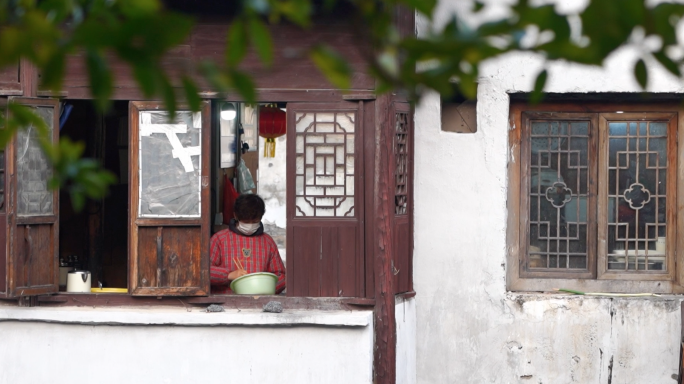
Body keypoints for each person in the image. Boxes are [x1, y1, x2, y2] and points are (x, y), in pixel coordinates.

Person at [210, 194, 286, 294]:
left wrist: (267, 287)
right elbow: (203, 272)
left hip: (259, 303)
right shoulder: (219, 239)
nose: (250, 225)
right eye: (246, 221)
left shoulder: (268, 242)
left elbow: (281, 275)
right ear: (235, 215)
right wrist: (228, 275)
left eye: (254, 221)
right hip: (226, 303)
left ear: (261, 217)